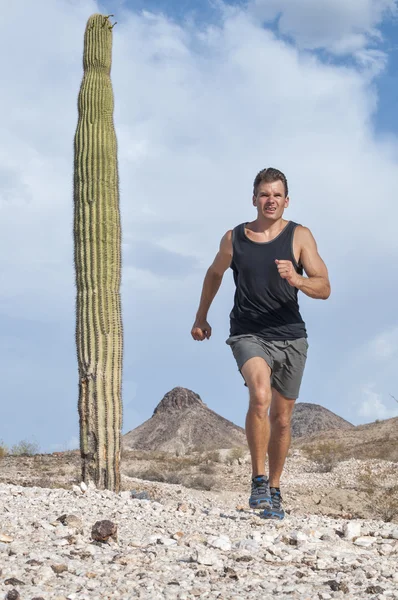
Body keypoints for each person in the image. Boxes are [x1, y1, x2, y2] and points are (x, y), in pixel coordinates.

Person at [191, 167, 330, 520]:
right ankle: (257, 479)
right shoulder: (234, 238)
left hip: (291, 336)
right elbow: (214, 273)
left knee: (282, 420)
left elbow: (324, 287)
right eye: (264, 195)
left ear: (287, 200)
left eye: (277, 195)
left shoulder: (300, 236)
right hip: (248, 332)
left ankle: (276, 489)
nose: (271, 200)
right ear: (254, 199)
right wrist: (201, 317)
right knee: (260, 395)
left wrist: (296, 279)